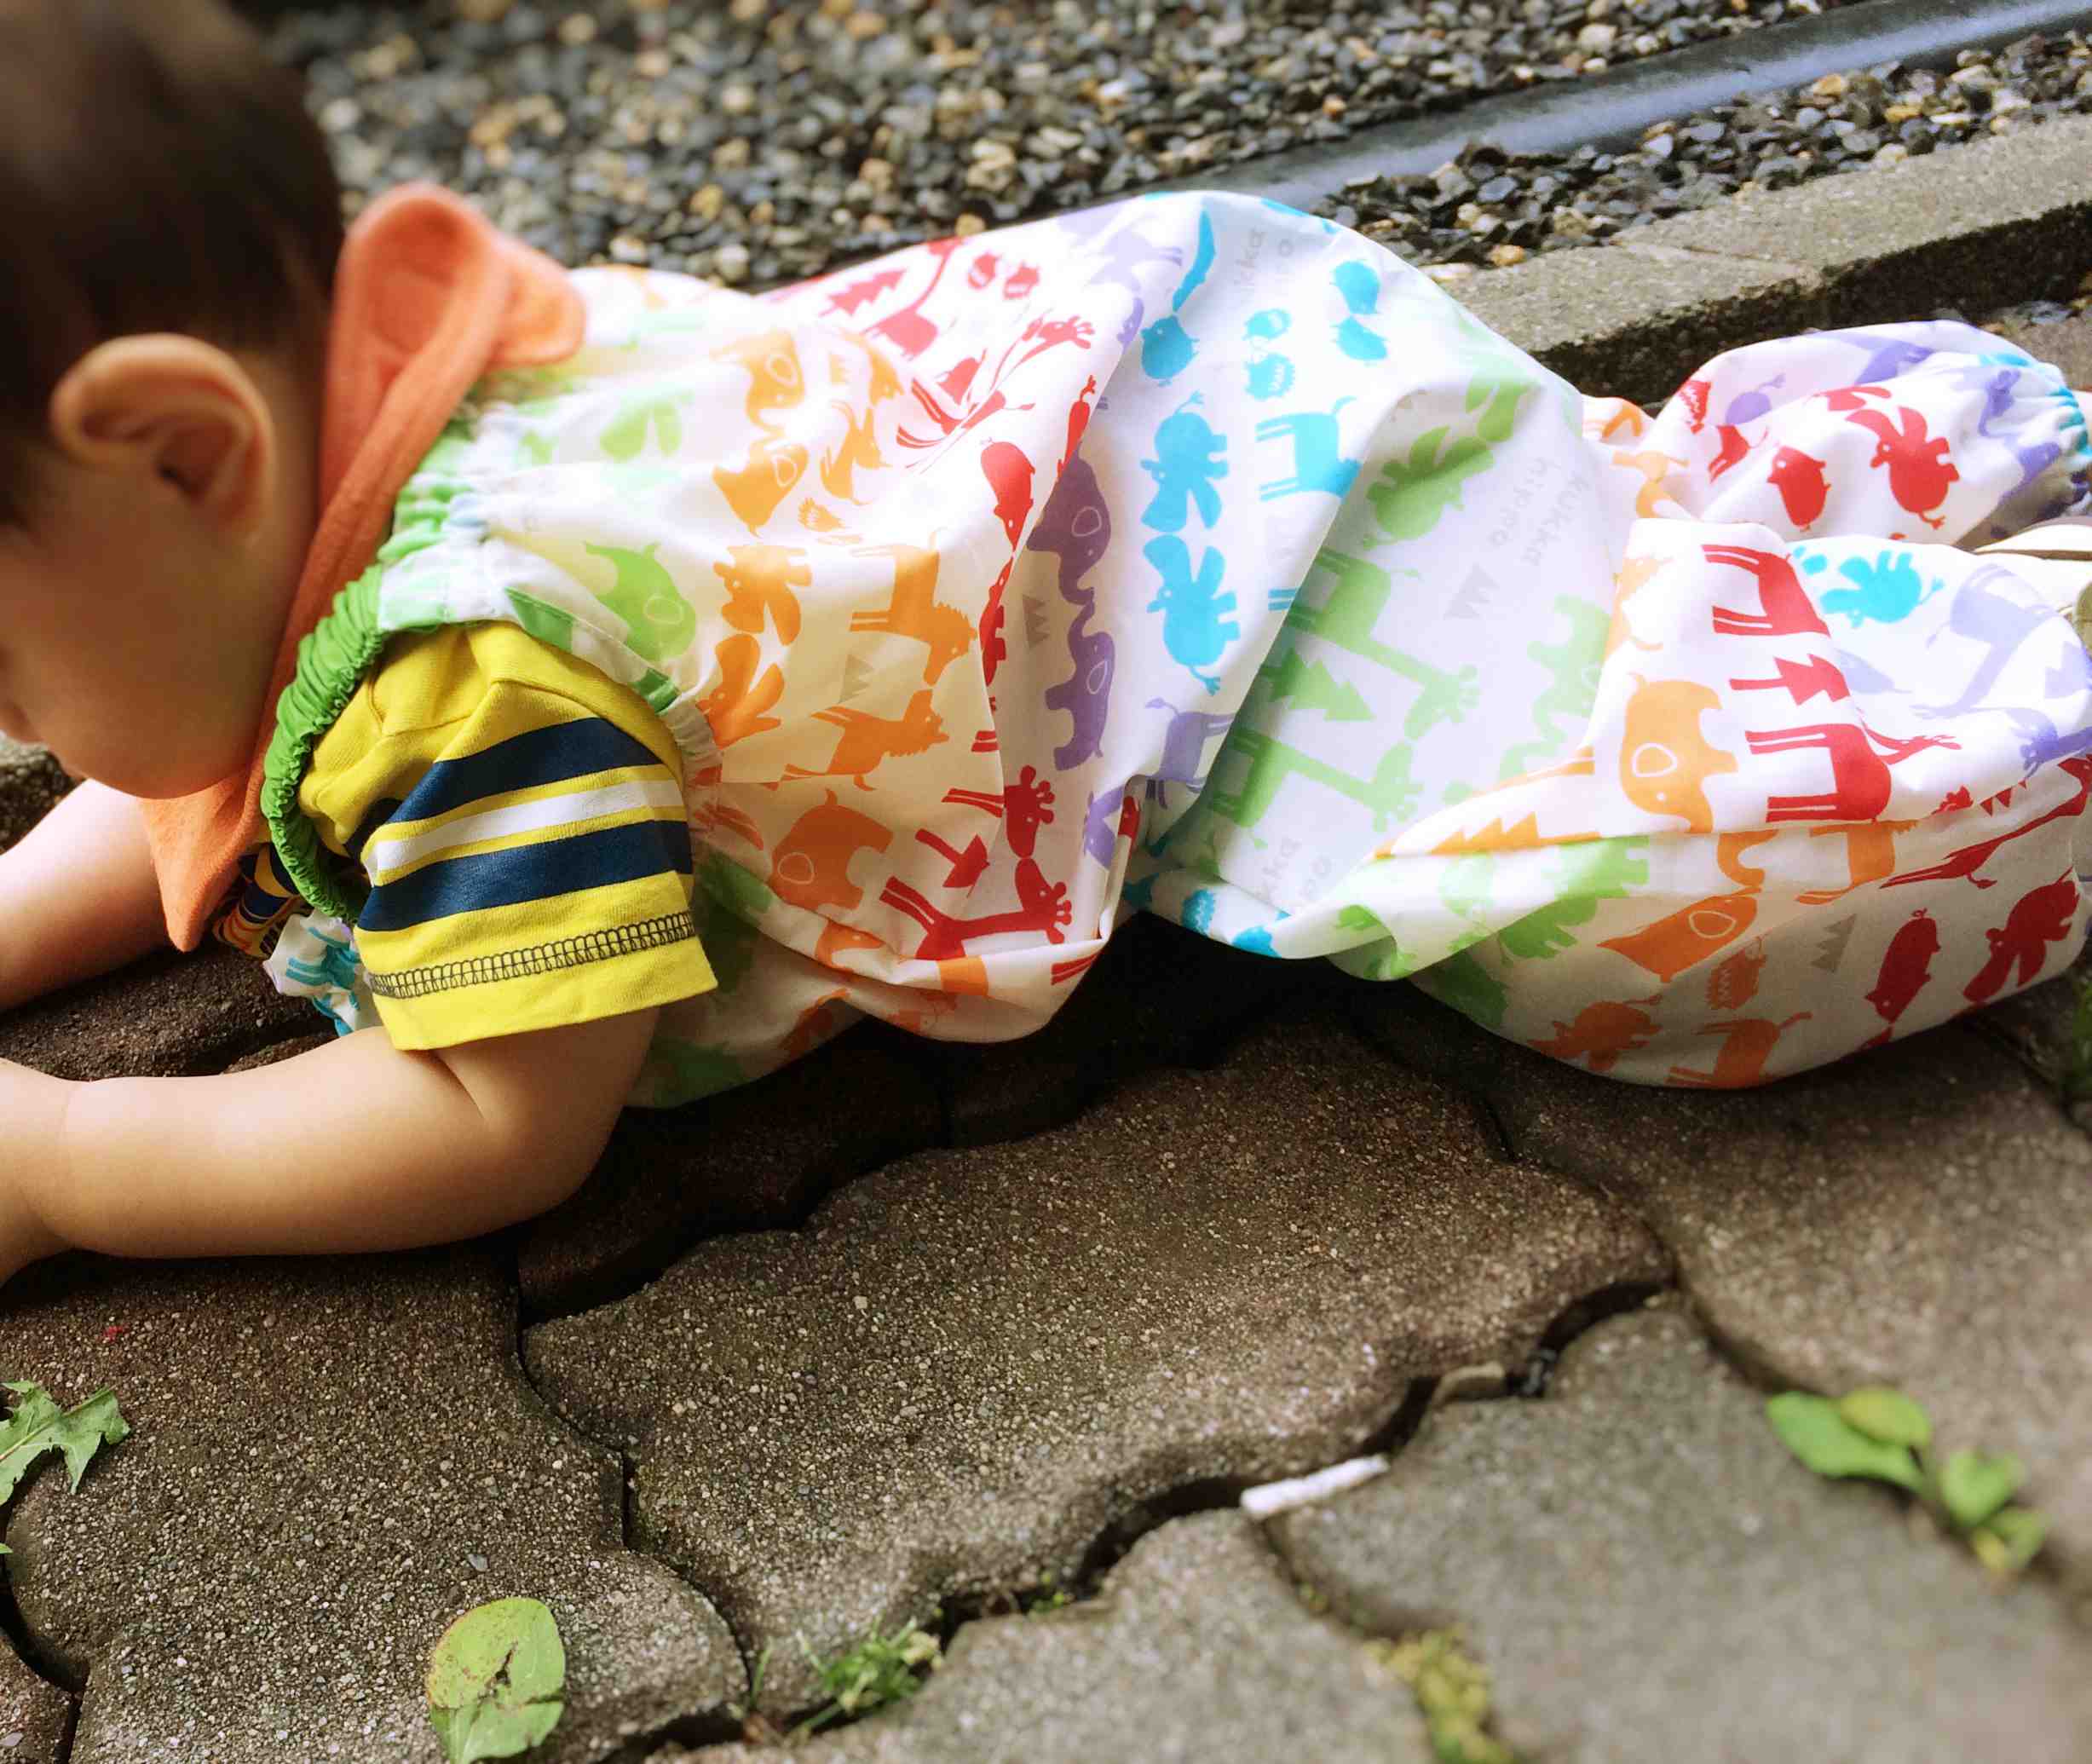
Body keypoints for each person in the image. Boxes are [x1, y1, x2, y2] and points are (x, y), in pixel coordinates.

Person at [4, 0, 2091, 1287]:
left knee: (1686, 908)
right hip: (1185, 391)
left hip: (1258, 603)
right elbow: (199, 742)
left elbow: (491, 1120)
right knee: (1612, 545)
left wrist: (83, 1163)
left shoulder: (474, 685)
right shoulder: (382, 367)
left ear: (183, 449)